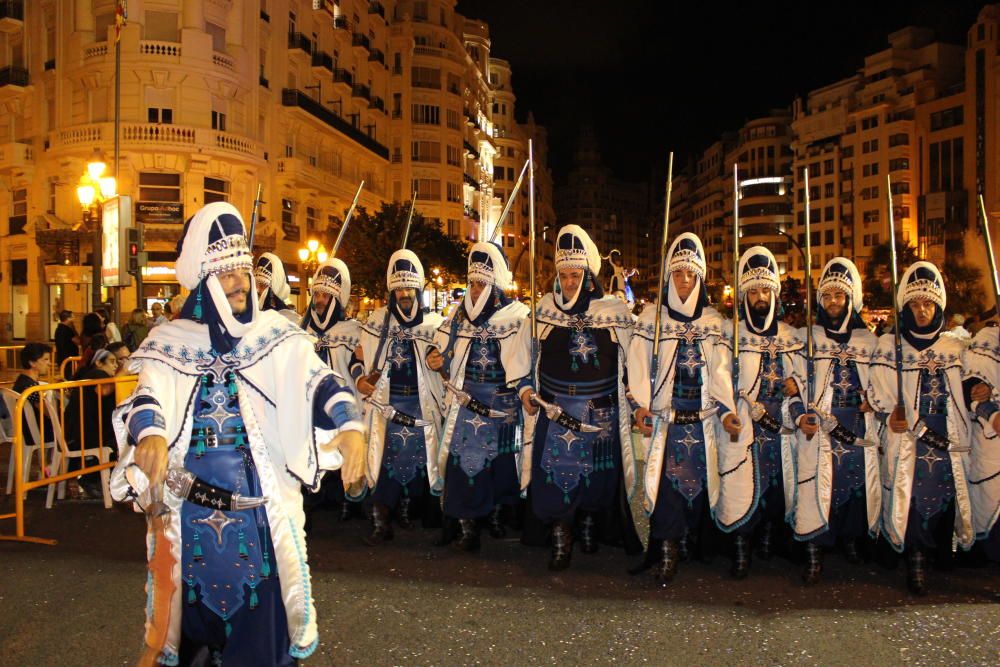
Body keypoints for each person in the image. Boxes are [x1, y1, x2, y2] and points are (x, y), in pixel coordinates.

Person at [109, 202, 365, 664]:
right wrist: (150, 435)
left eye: (243, 272)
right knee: (190, 635)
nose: (240, 284)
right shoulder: (171, 342)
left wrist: (349, 425)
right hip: (188, 521)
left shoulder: (275, 336)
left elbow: (320, 382)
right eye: (227, 274)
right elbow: (145, 398)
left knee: (262, 634)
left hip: (259, 519)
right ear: (206, 281)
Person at [505, 224, 642, 570]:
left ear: (588, 275)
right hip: (555, 411)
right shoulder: (543, 310)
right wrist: (524, 389)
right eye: (564, 275)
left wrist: (637, 400)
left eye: (575, 275)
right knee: (555, 479)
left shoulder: (614, 312)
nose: (569, 282)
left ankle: (589, 526)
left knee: (598, 480)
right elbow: (521, 356)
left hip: (601, 414)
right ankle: (561, 538)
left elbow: (633, 362)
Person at [628, 233, 742, 582]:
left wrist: (726, 411)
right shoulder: (652, 318)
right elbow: (636, 364)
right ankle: (666, 552)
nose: (684, 281)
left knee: (700, 487)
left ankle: (692, 545)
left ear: (700, 279)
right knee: (665, 489)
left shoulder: (713, 322)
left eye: (691, 275)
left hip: (703, 421)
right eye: (678, 274)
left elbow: (721, 372)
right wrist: (640, 406)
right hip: (667, 421)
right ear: (668, 277)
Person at [868, 261, 975, 594]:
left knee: (945, 496)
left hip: (948, 435)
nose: (922, 310)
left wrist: (979, 391)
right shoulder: (890, 347)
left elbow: (971, 384)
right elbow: (879, 390)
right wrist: (889, 414)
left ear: (939, 306)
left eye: (928, 304)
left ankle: (940, 553)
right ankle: (914, 560)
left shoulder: (956, 348)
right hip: (910, 438)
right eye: (915, 304)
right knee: (909, 497)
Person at [426, 241, 528, 552]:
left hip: (503, 402)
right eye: (471, 283)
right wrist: (435, 355)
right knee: (464, 468)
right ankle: (467, 527)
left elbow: (525, 358)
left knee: (500, 466)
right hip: (467, 402)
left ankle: (496, 517)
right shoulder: (458, 317)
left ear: (494, 283)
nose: (474, 290)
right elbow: (439, 344)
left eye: (481, 283)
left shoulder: (518, 315)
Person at [790, 258, 881, 584]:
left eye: (839, 296)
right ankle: (814, 552)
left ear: (850, 299)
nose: (832, 302)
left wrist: (876, 401)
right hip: (820, 429)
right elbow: (794, 385)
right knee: (816, 488)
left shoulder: (868, 342)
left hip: (856, 427)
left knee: (854, 488)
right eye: (826, 296)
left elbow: (883, 386)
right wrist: (800, 414)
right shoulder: (807, 339)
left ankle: (850, 541)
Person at [719, 246, 804, 579]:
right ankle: (741, 547)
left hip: (780, 424)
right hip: (744, 420)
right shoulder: (731, 334)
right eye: (752, 291)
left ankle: (769, 540)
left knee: (776, 486)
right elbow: (719, 374)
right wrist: (728, 408)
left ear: (774, 293)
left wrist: (797, 383)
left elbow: (804, 377)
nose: (759, 297)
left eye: (765, 290)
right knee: (741, 484)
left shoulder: (790, 336)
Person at [355, 249, 445, 545]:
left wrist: (439, 359)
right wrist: (360, 379)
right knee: (385, 460)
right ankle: (381, 517)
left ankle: (406, 510)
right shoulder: (375, 321)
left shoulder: (434, 324)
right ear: (391, 290)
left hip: (421, 403)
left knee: (419, 459)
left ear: (418, 288)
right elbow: (357, 358)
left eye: (409, 287)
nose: (404, 293)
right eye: (398, 288)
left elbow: (447, 360)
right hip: (386, 405)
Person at [298, 257, 364, 527]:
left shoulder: (352, 331)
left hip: (342, 405)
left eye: (326, 295)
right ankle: (310, 503)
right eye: (318, 294)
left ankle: (348, 502)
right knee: (309, 450)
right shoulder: (300, 331)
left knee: (344, 450)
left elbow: (359, 361)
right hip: (308, 406)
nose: (320, 299)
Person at [63, 347, 120, 498]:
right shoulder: (97, 374)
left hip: (77, 432)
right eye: (112, 362)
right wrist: (123, 375)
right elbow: (103, 390)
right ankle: (92, 479)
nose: (116, 366)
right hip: (83, 434)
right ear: (99, 363)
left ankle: (95, 478)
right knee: (120, 441)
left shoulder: (89, 375)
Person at [11, 343, 54, 446]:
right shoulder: (30, 387)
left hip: (27, 431)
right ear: (32, 363)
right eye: (45, 359)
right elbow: (50, 414)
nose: (50, 363)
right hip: (38, 433)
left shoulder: (22, 381)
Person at [255, 252, 299, 325]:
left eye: (263, 284)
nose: (257, 289)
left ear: (275, 286)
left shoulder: (289, 319)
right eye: (256, 284)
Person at [53, 310, 80, 379]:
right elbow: (77, 341)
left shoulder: (58, 329)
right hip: (69, 360)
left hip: (61, 358)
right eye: (73, 317)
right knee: (70, 378)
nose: (74, 319)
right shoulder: (67, 330)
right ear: (68, 318)